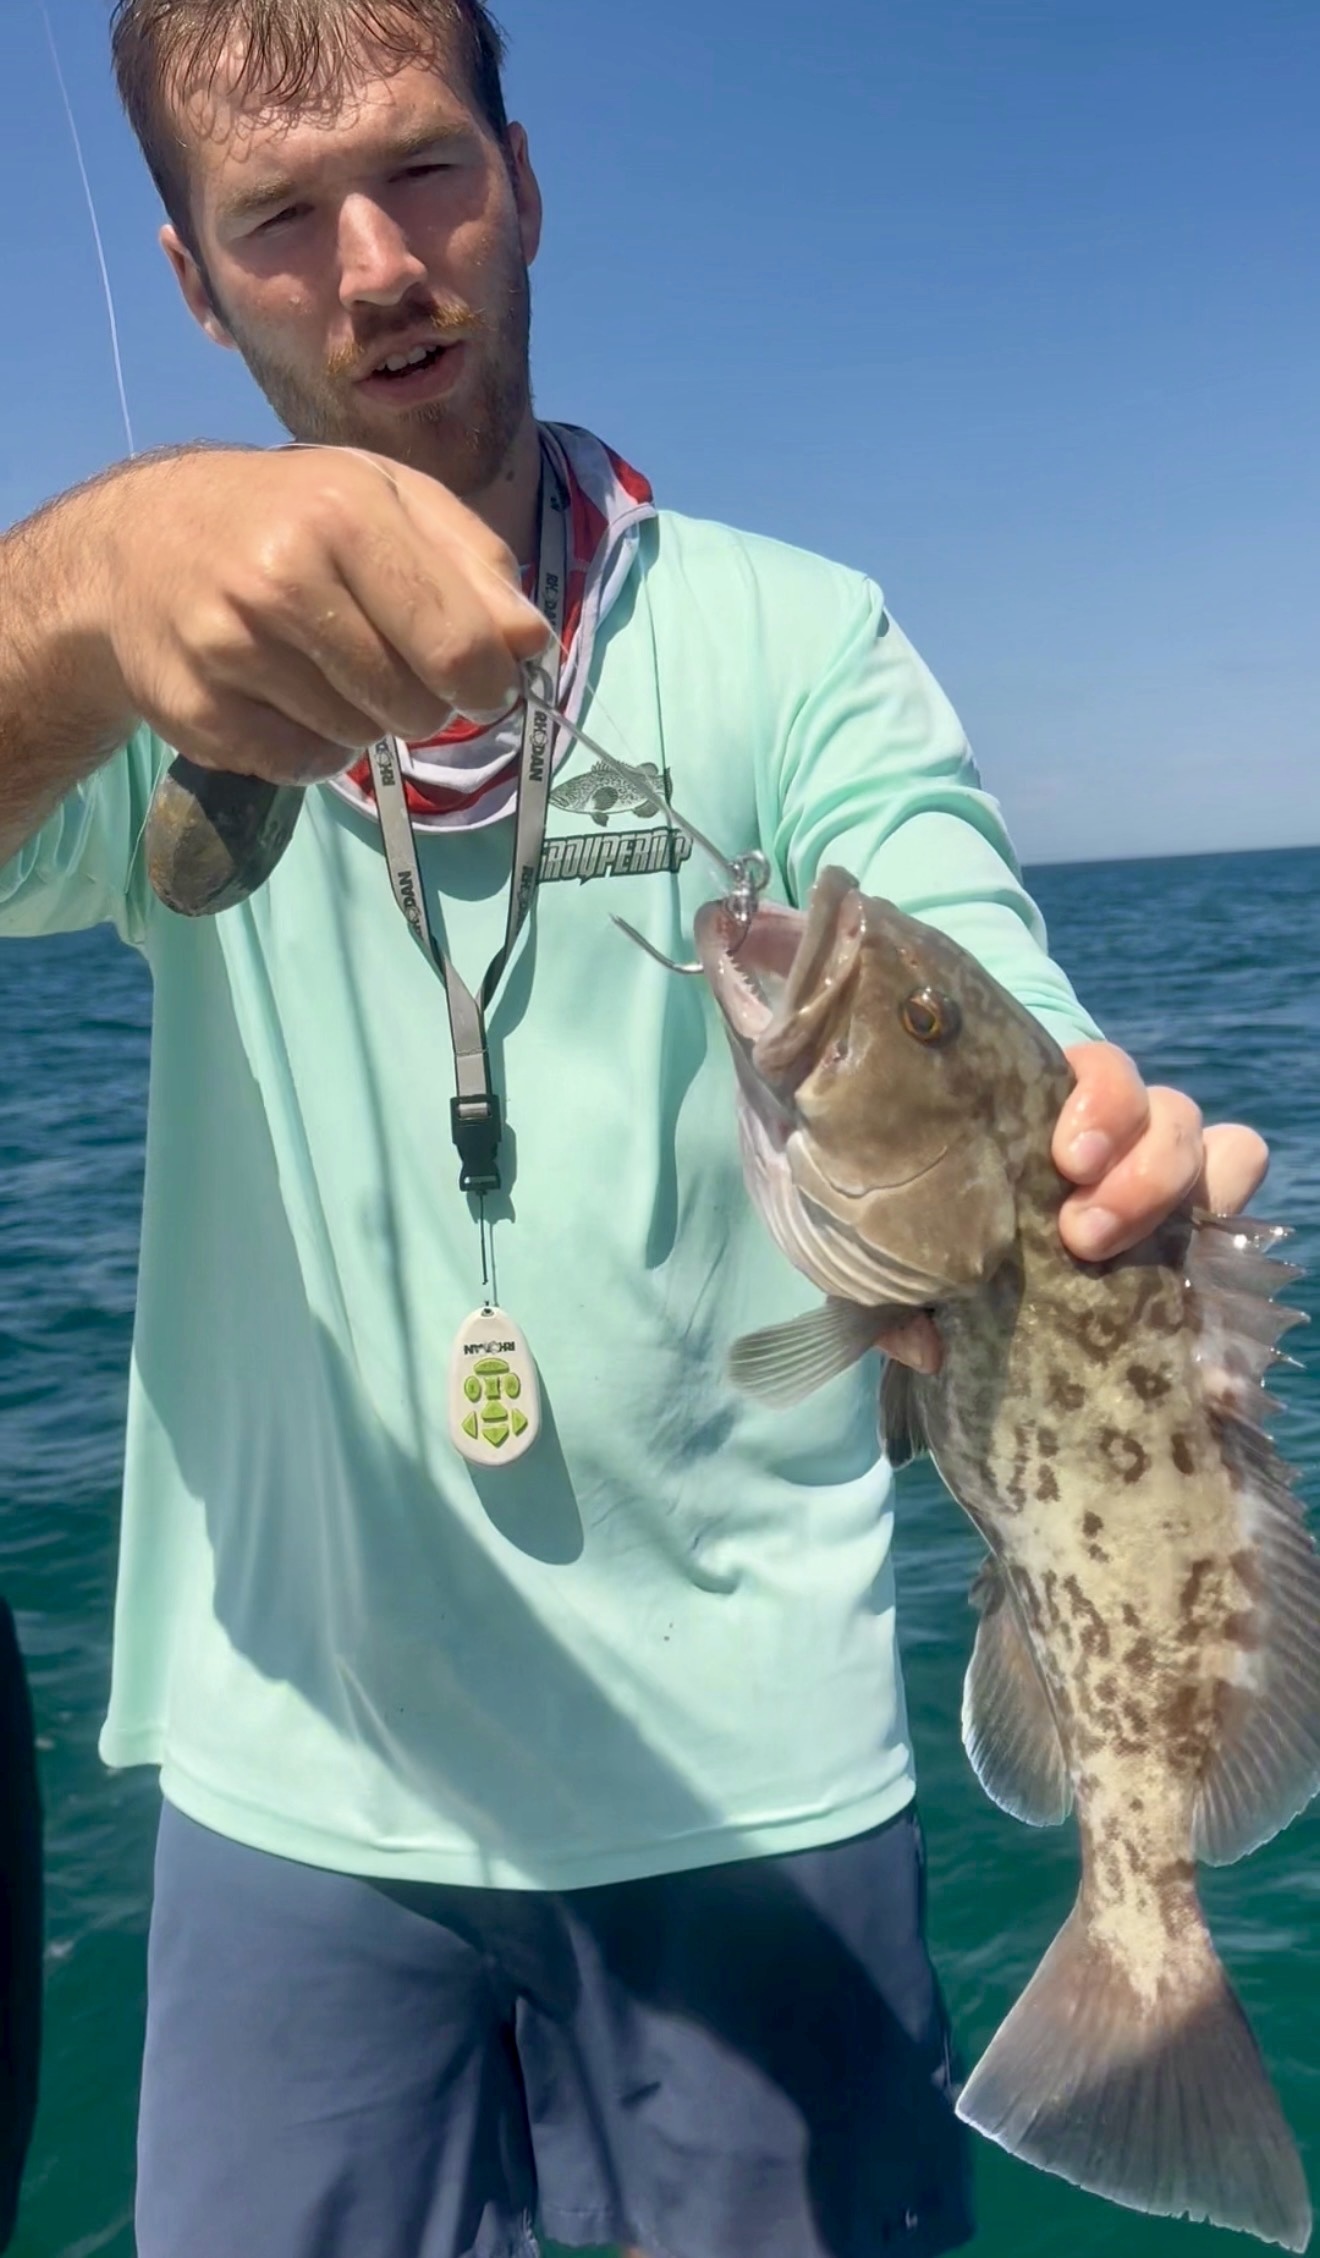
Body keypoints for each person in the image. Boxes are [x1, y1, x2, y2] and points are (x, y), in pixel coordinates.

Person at [0, 5, 1268, 2256]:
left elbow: (958, 929)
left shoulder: (791, 645)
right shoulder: (151, 685)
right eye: (282, 218)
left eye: (424, 174)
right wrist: (95, 589)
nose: (377, 262)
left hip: (748, 1781)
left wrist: (1100, 1132)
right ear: (192, 284)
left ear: (528, 180)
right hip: (291, 1775)